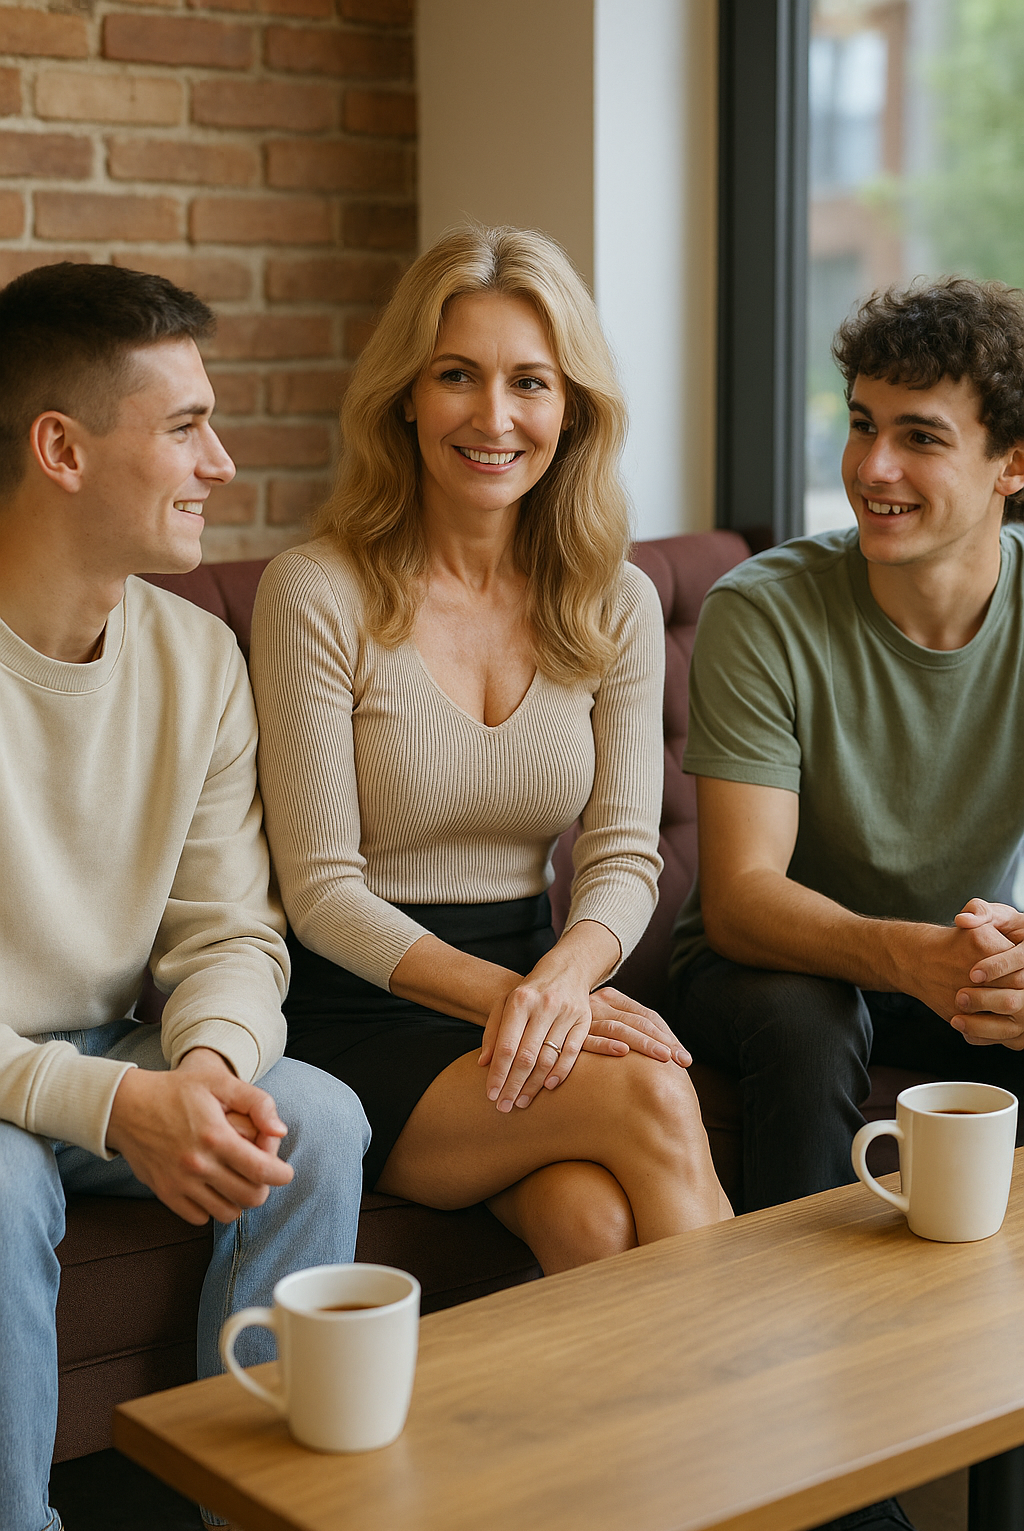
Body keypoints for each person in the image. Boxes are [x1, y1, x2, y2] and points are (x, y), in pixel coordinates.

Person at [249, 224, 730, 1276]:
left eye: (530, 382)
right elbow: (321, 890)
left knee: (589, 1225)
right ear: (406, 395)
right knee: (651, 1090)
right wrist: (525, 1006)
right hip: (358, 1013)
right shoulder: (317, 591)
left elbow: (620, 859)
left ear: (573, 408)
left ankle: (629, 1447)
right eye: (456, 375)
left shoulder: (615, 601)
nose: (495, 415)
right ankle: (774, 1422)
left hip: (531, 987)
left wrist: (561, 980)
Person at [0, 263, 369, 1531]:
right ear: (60, 448)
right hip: (11, 1098)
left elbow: (229, 929)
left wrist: (207, 1069)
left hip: (110, 1051)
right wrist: (119, 1104)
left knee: (308, 1116)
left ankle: (253, 1512)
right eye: (184, 426)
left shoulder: (196, 654)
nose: (218, 462)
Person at [669, 275, 1024, 1220]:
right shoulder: (763, 610)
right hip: (767, 968)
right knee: (808, 1020)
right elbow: (742, 901)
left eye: (920, 437)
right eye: (864, 425)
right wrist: (911, 957)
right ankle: (796, 1340)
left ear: (1012, 463)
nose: (871, 467)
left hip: (959, 958)